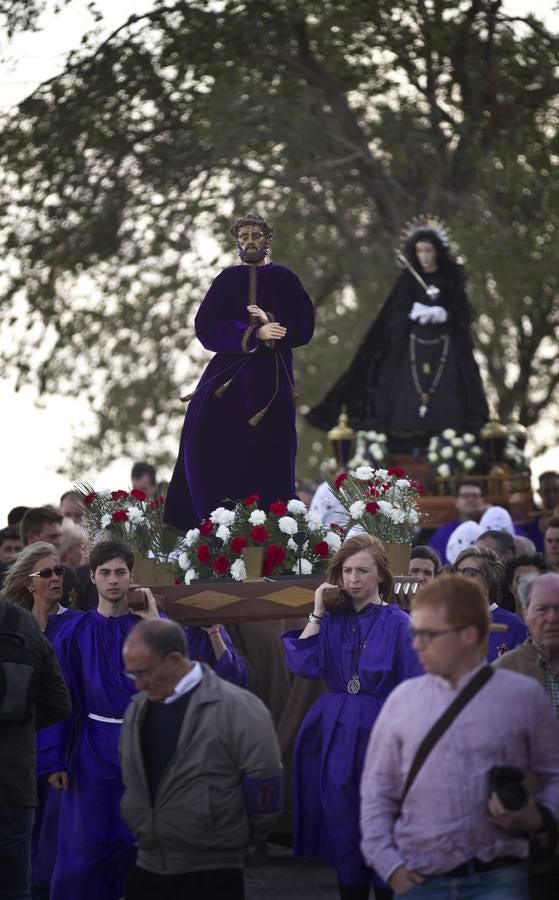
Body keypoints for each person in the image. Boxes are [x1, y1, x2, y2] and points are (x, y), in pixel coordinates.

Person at [360, 574, 559, 900]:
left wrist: (540, 818)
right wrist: (390, 868)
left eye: (428, 634)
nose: (416, 644)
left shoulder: (522, 696)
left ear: (468, 635)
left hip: (498, 879)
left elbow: (554, 774)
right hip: (419, 880)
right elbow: (376, 795)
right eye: (415, 633)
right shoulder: (401, 701)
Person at [282, 534, 422, 899]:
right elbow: (303, 663)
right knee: (344, 828)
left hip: (382, 733)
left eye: (362, 570)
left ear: (380, 576)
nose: (353, 579)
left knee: (383, 824)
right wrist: (317, 610)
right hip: (337, 734)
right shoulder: (331, 619)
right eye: (346, 571)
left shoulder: (399, 623)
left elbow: (415, 688)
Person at [164, 213, 315, 532]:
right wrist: (253, 333)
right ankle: (215, 525)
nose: (249, 241)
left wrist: (272, 322)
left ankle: (271, 531)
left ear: (267, 240)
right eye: (244, 236)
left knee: (271, 455)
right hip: (228, 379)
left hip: (272, 383)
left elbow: (303, 324)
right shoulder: (226, 280)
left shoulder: (285, 278)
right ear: (237, 241)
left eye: (256, 235)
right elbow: (205, 327)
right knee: (203, 440)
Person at [119, 619, 283, 900]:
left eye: (144, 672)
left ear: (174, 660)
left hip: (212, 868)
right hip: (149, 862)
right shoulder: (138, 710)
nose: (138, 683)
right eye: (131, 674)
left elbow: (264, 778)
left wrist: (238, 835)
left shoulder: (237, 707)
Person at [307, 221, 488, 451]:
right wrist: (413, 313)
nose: (424, 256)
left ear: (438, 252)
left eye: (428, 250)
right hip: (413, 349)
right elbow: (394, 316)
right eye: (420, 250)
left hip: (445, 351)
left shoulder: (451, 278)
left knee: (453, 399)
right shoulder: (408, 280)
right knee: (403, 402)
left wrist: (446, 313)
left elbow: (463, 313)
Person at [3, 542, 82, 898]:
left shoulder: (76, 626)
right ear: (27, 583)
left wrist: (52, 756)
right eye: (46, 573)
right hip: (17, 755)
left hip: (57, 751)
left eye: (59, 571)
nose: (55, 578)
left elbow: (65, 700)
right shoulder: (14, 628)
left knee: (47, 847)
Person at [450, 545, 527, 660]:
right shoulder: (446, 621)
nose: (460, 578)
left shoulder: (512, 624)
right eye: (457, 571)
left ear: (489, 580)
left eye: (469, 572)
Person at [21, 506, 83, 609]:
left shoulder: (67, 575)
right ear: (31, 538)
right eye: (52, 537)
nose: (59, 542)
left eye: (60, 536)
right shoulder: (5, 577)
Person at [428, 480, 487, 564]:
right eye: (465, 496)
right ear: (456, 502)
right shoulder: (445, 531)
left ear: (482, 500)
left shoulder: (489, 527)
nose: (470, 499)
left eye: (475, 495)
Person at [503, 553, 553, 618]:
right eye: (520, 580)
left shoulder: (553, 621)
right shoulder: (505, 624)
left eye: (532, 579)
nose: (526, 585)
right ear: (511, 587)